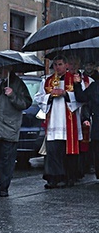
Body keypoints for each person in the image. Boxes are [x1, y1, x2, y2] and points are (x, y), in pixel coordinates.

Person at [0, 67, 32, 197]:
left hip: (9, 127)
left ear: (9, 69)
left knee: (7, 159)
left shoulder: (17, 83)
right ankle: (1, 179)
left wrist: (12, 95)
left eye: (4, 69)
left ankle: (4, 186)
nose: (1, 71)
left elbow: (26, 103)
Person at [34, 55, 83, 188]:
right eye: (55, 64)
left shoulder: (74, 79)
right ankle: (53, 178)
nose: (57, 67)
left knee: (67, 152)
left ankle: (68, 178)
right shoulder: (47, 80)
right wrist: (50, 96)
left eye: (60, 64)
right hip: (54, 121)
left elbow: (81, 98)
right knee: (53, 151)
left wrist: (66, 94)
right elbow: (39, 98)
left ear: (66, 65)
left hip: (69, 121)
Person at [73, 72, 99, 179]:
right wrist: (77, 84)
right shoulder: (95, 86)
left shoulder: (95, 86)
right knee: (97, 149)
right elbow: (81, 97)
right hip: (97, 123)